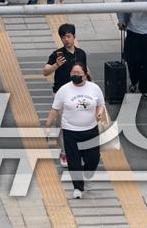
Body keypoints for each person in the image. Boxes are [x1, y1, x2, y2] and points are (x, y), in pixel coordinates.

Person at [47, 62, 108, 199]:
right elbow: (55, 109)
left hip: (90, 129)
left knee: (93, 158)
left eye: (78, 74)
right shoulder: (64, 90)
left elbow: (101, 104)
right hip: (70, 130)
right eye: (73, 74)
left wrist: (99, 113)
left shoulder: (94, 88)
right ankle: (78, 188)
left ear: (85, 75)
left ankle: (87, 176)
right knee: (73, 160)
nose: (75, 76)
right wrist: (47, 125)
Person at [44, 23, 88, 92]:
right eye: (63, 37)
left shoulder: (81, 53)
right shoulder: (57, 54)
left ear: (74, 36)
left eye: (68, 36)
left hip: (78, 90)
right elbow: (45, 72)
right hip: (61, 91)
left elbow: (85, 71)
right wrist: (56, 65)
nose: (66, 39)